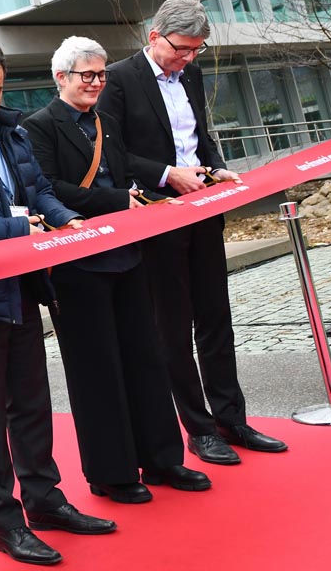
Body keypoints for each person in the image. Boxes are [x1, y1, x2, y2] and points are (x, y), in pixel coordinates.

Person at [0, 40, 115, 567]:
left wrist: (66, 221)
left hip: (23, 286)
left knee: (32, 402)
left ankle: (45, 501)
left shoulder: (11, 130)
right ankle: (5, 522)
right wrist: (16, 229)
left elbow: (37, 193)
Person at [97, 0, 287, 465]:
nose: (187, 59)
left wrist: (216, 169)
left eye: (195, 50)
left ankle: (232, 419)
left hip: (204, 208)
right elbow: (112, 153)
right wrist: (165, 174)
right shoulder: (118, 80)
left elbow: (201, 137)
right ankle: (198, 428)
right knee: (173, 326)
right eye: (181, 49)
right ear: (154, 36)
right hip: (158, 217)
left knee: (216, 317)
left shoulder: (193, 74)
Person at [24, 36, 211, 504]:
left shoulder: (107, 120)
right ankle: (113, 472)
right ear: (60, 78)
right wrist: (114, 201)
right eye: (86, 75)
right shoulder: (38, 126)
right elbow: (47, 188)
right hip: (77, 264)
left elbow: (126, 169)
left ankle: (164, 458)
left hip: (128, 253)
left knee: (144, 358)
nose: (96, 82)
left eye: (101, 74)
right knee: (97, 370)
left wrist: (195, 175)